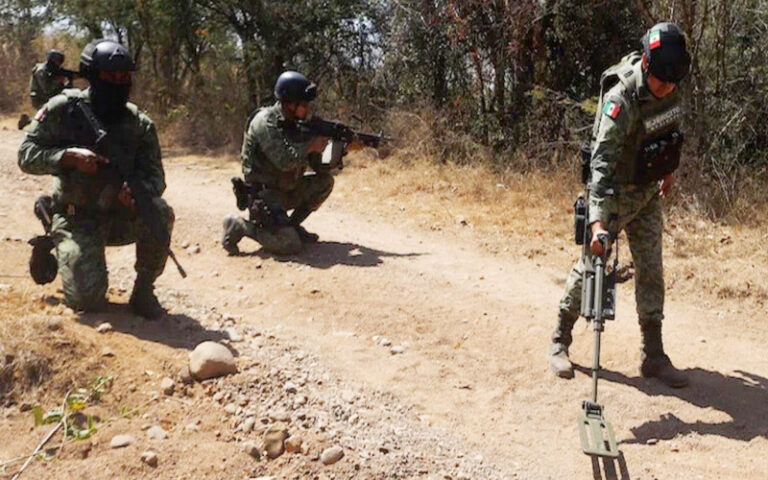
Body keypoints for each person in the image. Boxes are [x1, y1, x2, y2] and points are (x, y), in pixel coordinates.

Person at [548, 23, 691, 388]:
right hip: (612, 194)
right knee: (591, 268)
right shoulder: (621, 98)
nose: (667, 90)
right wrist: (597, 224)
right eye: (661, 83)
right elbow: (601, 166)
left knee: (651, 270)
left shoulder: (670, 80)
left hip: (645, 195)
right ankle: (560, 340)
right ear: (645, 64)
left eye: (673, 84)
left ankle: (653, 355)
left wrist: (668, 169)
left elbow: (668, 130)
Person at [18, 39, 174, 319]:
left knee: (160, 213)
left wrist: (137, 192)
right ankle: (52, 228)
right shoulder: (63, 108)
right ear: (92, 76)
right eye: (111, 77)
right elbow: (26, 155)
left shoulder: (138, 123)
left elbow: (156, 178)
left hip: (118, 216)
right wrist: (67, 157)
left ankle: (143, 291)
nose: (119, 83)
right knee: (87, 302)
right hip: (76, 216)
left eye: (125, 78)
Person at [221, 71, 335, 255]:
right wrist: (311, 146)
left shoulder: (297, 125)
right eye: (304, 105)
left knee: (325, 181)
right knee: (290, 245)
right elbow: (284, 161)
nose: (308, 110)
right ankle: (241, 226)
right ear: (290, 103)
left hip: (288, 190)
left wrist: (339, 149)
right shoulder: (265, 123)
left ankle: (291, 225)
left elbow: (321, 168)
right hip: (265, 196)